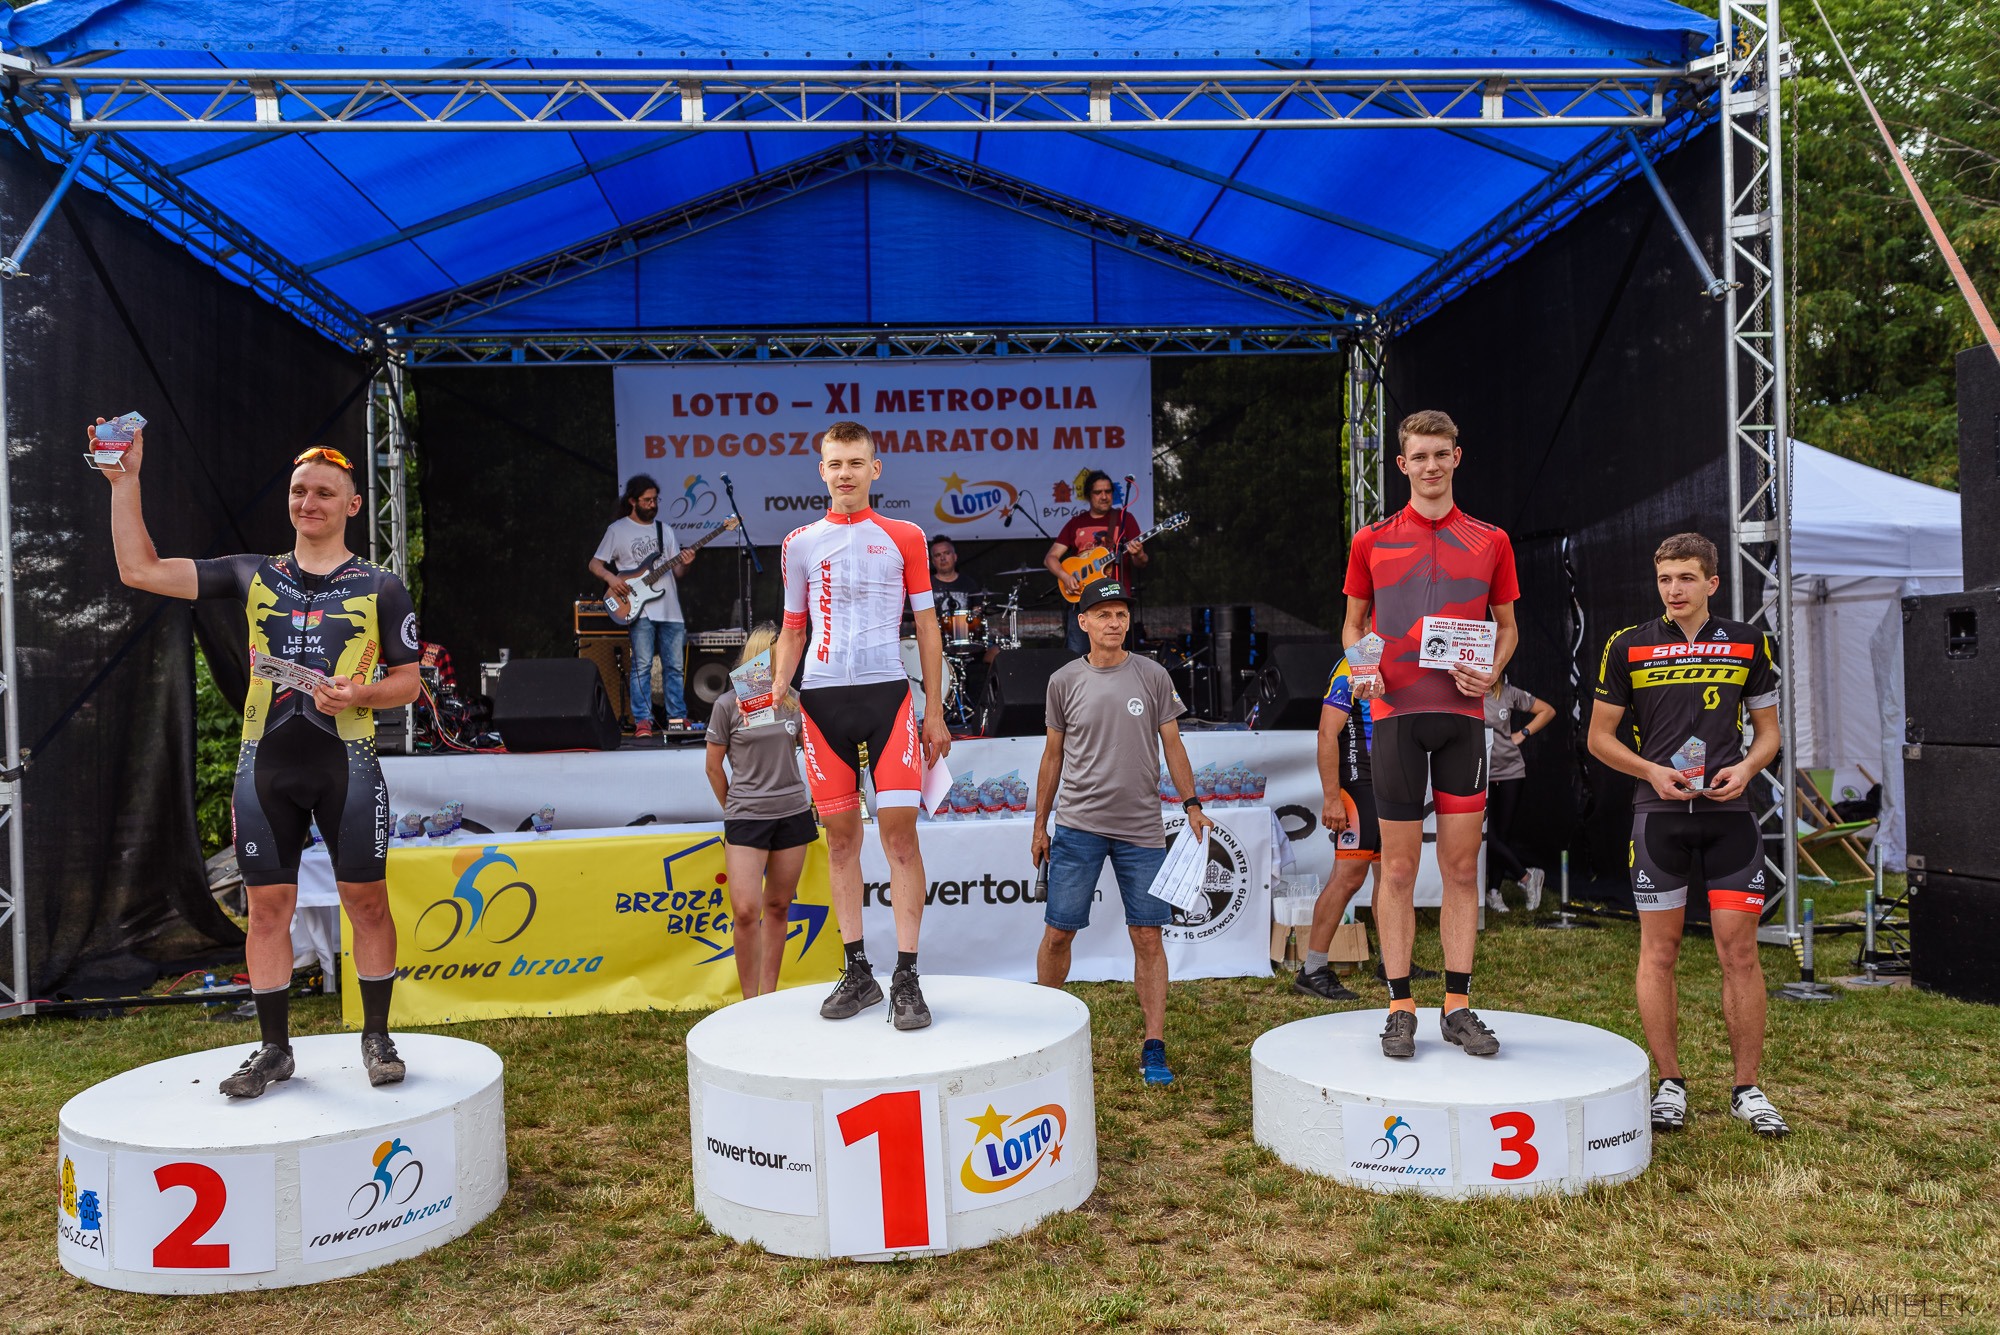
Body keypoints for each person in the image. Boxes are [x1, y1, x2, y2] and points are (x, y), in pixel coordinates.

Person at [101, 423, 422, 1098]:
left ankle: (377, 1036)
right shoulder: (253, 572)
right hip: (265, 766)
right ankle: (275, 1050)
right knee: (267, 908)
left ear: (352, 504)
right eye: (300, 490)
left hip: (348, 763)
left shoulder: (381, 586)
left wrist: (360, 693)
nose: (309, 502)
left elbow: (408, 681)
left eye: (325, 492)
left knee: (366, 902)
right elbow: (140, 570)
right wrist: (124, 482)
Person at [1588, 532, 1789, 1139]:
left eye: (1685, 578)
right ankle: (1670, 1083)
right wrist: (1651, 771)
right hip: (1659, 815)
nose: (1673, 590)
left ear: (1711, 583)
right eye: (1665, 579)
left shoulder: (1750, 642)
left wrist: (1747, 769)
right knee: (1660, 952)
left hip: (1730, 815)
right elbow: (1599, 738)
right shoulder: (1627, 645)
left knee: (1740, 953)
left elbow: (1769, 733)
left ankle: (1747, 1089)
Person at [1344, 409, 1518, 1059]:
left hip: (1463, 720)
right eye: (1419, 456)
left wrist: (1492, 672)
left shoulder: (1492, 540)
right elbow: (1354, 622)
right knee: (1396, 867)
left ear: (1457, 457)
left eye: (1441, 454)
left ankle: (1457, 1006)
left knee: (1461, 868)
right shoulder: (1372, 539)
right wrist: (1363, 667)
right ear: (1402, 464)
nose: (1431, 465)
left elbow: (1508, 627)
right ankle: (1399, 1007)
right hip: (1394, 717)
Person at [770, 421, 951, 1030]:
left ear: (875, 469)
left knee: (900, 839)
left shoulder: (905, 536)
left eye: (855, 462)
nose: (844, 473)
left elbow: (926, 626)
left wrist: (934, 711)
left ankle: (907, 976)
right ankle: (858, 972)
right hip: (822, 702)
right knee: (841, 841)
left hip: (888, 698)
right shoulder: (799, 542)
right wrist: (778, 687)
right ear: (821, 471)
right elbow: (793, 628)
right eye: (835, 463)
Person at [1031, 579, 1212, 1085]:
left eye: (1121, 614)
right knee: (1058, 932)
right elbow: (1052, 756)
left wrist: (1192, 804)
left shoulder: (1153, 675)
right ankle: (1044, 1032)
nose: (1115, 622)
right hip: (1077, 825)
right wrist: (1040, 825)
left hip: (1141, 829)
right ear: (1083, 622)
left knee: (1148, 936)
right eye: (1104, 614)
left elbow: (1173, 745)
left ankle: (1154, 1046)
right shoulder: (1063, 681)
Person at [704, 625, 818, 999]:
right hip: (746, 818)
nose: (786, 661)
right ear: (761, 656)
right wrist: (734, 808)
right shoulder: (728, 705)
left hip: (792, 813)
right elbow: (713, 767)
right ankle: (748, 1001)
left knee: (779, 906)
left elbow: (812, 752)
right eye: (779, 654)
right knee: (745, 912)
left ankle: (768, 997)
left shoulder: (792, 700)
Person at [1293, 652, 1379, 1002]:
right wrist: (1332, 799)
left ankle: (1394, 961)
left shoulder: (1393, 656)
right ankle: (1312, 970)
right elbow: (1327, 733)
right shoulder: (1353, 664)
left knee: (1390, 874)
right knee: (1348, 878)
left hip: (1385, 781)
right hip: (1359, 781)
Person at [589, 474, 695, 739]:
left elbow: (678, 573)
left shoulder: (665, 530)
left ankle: (677, 718)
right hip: (639, 608)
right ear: (633, 501)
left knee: (675, 667)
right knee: (642, 666)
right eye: (647, 500)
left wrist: (687, 563)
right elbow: (595, 564)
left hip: (670, 610)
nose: (652, 504)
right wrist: (612, 579)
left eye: (655, 500)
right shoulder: (617, 530)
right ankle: (643, 721)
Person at [1044, 471, 1148, 654]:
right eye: (1098, 492)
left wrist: (1138, 554)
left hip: (1115, 599)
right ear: (1088, 495)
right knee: (1077, 655)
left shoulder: (1125, 519)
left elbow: (1141, 563)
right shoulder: (1076, 523)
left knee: (1115, 657)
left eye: (1108, 491)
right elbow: (1050, 558)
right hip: (1082, 600)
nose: (1104, 496)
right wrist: (1065, 577)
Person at [1481, 677, 1555, 913]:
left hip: (1510, 770)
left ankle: (1494, 892)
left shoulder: (1508, 692)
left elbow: (1547, 711)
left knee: (1501, 836)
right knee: (1485, 834)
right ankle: (1527, 877)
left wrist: (1523, 733)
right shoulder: (1465, 692)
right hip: (1479, 772)